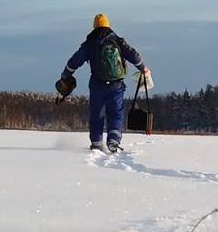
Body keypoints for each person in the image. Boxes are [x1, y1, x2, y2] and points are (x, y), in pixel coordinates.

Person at [60, 14, 152, 152]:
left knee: (97, 114)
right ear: (108, 25)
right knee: (116, 113)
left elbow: (75, 61)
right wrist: (143, 68)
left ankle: (97, 143)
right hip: (116, 85)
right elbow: (134, 55)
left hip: (97, 84)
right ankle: (114, 140)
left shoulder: (90, 43)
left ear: (94, 26)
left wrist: (65, 75)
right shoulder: (117, 41)